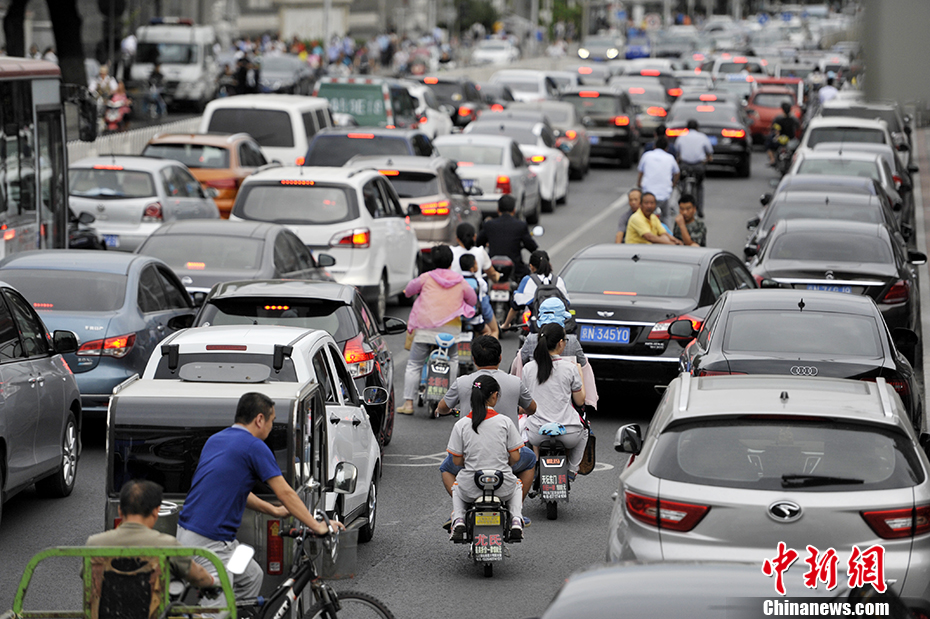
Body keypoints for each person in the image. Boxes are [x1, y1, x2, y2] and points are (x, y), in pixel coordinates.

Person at [176, 392, 342, 606]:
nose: (272, 427)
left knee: (251, 576)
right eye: (272, 420)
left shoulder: (216, 440)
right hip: (211, 544)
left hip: (192, 534)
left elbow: (235, 489)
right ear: (259, 419)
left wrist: (274, 511)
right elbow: (286, 493)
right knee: (216, 612)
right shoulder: (253, 446)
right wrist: (317, 526)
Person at [437, 335, 536, 507]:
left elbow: (442, 407)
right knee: (531, 460)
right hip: (506, 455)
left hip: (470, 455)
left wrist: (450, 411)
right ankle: (515, 508)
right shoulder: (515, 382)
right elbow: (532, 408)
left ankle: (461, 506)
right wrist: (519, 408)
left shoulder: (463, 382)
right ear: (500, 357)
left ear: (474, 359)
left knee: (446, 469)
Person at [86, 479, 216, 589]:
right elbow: (198, 576)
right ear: (156, 512)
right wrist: (214, 583)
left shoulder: (95, 543)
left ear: (120, 511)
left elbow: (86, 576)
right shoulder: (168, 545)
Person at [397, 244, 477, 415]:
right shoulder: (460, 281)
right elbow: (473, 300)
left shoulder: (425, 278)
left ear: (433, 260)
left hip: (425, 330)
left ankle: (409, 404)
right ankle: (447, 403)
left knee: (414, 364)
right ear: (451, 261)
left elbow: (409, 291)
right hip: (450, 332)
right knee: (453, 360)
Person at [447, 375, 525, 541]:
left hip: (471, 487)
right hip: (502, 485)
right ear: (494, 395)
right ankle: (517, 518)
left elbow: (456, 461)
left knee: (456, 487)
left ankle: (459, 518)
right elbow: (516, 456)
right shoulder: (505, 422)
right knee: (517, 485)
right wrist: (506, 461)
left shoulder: (461, 425)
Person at [521, 323, 588, 480]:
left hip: (537, 434)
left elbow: (525, 402)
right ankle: (571, 470)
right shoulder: (570, 368)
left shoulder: (528, 368)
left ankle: (535, 463)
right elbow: (580, 401)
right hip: (568, 433)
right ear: (560, 343)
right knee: (585, 431)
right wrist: (580, 374)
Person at [475, 194, 538, 282]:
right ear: (514, 210)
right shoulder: (520, 225)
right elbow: (532, 247)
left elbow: (478, 244)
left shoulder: (489, 225)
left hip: (493, 269)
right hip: (516, 271)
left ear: (498, 210)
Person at [503, 250, 569, 329]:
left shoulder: (528, 280)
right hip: (559, 327)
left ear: (531, 266)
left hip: (538, 327)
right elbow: (567, 303)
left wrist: (506, 325)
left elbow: (516, 306)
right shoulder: (558, 280)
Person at [637, 136, 680, 231]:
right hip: (664, 195)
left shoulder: (647, 155)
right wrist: (673, 184)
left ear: (654, 146)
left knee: (643, 215)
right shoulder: (670, 158)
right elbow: (677, 172)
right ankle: (669, 235)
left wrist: (639, 184)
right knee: (666, 216)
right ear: (667, 148)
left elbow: (641, 171)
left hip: (648, 194)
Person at [675, 119, 713, 217]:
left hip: (685, 166)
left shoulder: (681, 137)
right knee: (699, 186)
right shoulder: (702, 137)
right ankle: (700, 209)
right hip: (698, 166)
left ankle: (682, 206)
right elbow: (709, 151)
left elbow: (677, 151)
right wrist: (708, 158)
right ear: (697, 128)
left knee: (682, 184)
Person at [460, 253, 499, 338]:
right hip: (475, 319)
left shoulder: (457, 280)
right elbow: (483, 299)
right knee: (489, 331)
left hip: (459, 318)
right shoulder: (480, 282)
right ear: (472, 268)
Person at [766, 102, 799, 166]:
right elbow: (798, 127)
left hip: (780, 139)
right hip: (791, 139)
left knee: (768, 144)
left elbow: (774, 128)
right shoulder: (794, 119)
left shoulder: (778, 118)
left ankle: (772, 159)